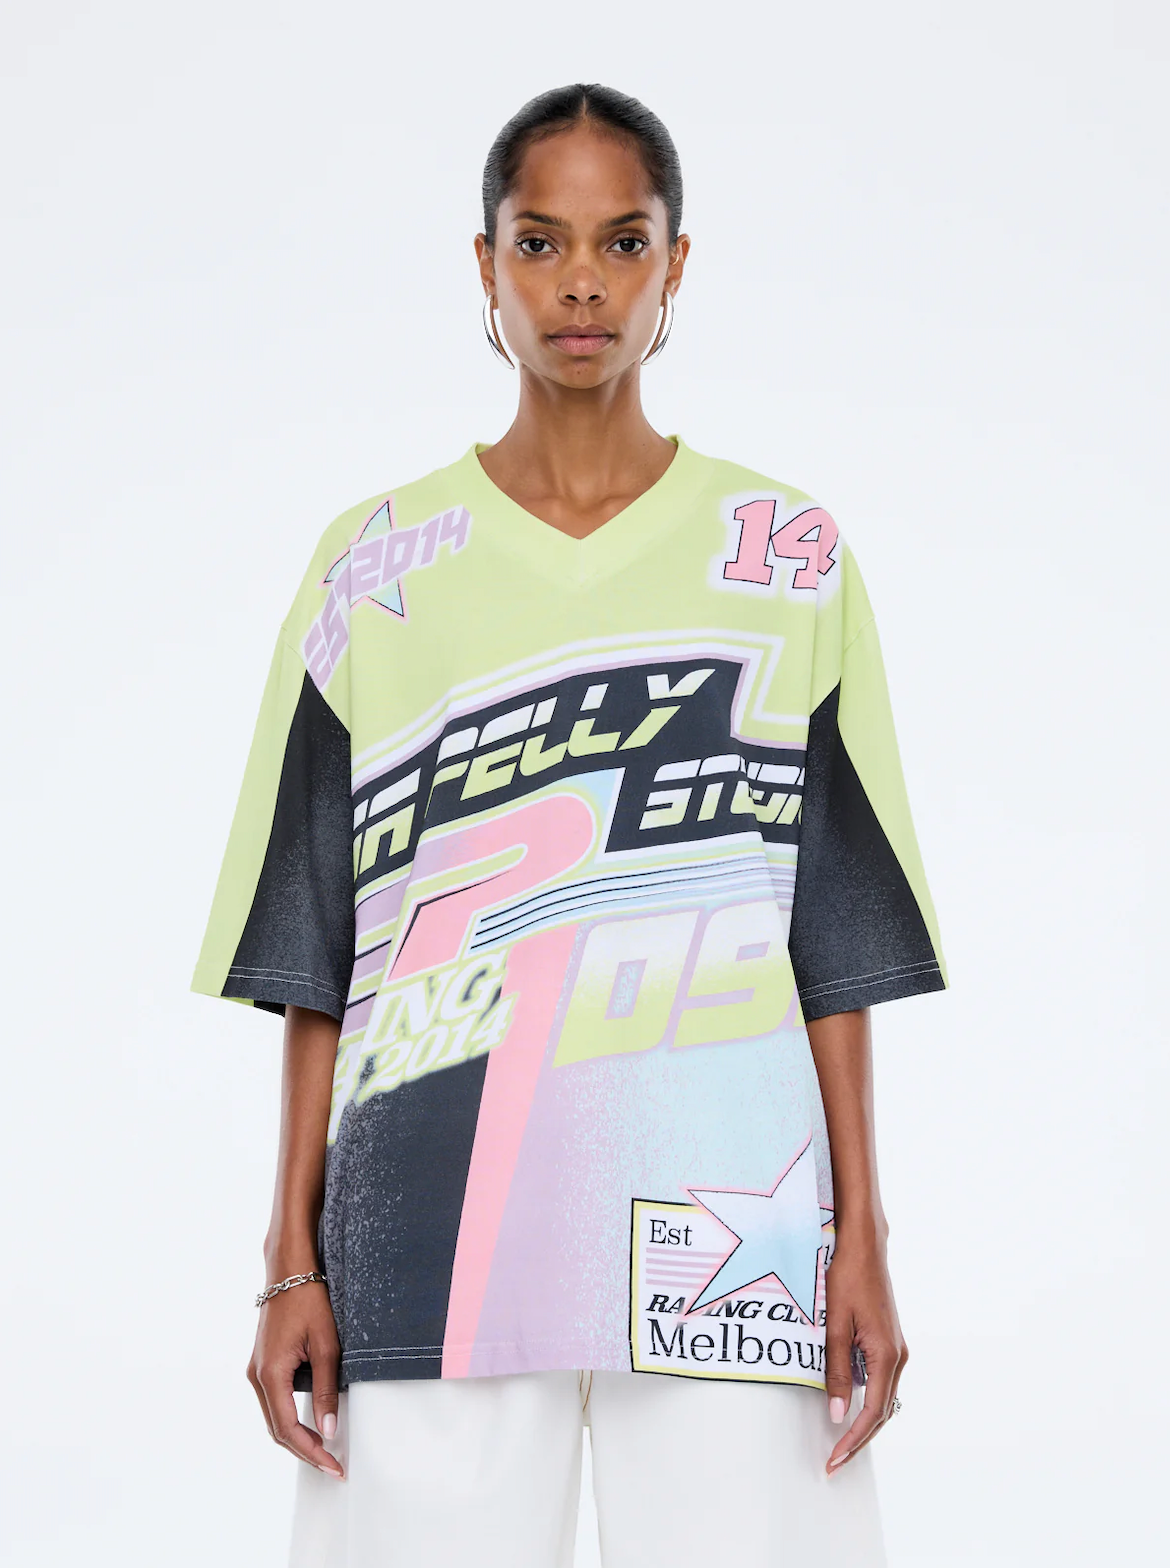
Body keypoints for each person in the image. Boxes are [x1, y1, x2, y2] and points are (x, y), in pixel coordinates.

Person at [192, 82, 947, 1568]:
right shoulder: (373, 567)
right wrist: (288, 1258)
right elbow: (315, 952)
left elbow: (834, 942)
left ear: (678, 263)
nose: (582, 282)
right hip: (431, 1222)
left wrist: (862, 1231)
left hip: (732, 1224)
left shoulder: (784, 556)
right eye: (540, 243)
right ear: (485, 266)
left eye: (623, 241)